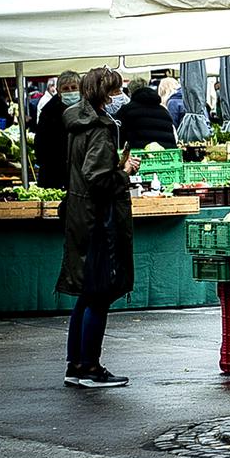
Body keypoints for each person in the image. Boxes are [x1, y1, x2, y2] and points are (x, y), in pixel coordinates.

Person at [58, 67, 140, 389]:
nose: (119, 97)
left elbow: (87, 170)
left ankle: (75, 364)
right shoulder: (100, 129)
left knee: (86, 294)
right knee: (99, 294)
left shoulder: (77, 124)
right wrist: (124, 171)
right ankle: (90, 366)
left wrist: (114, 164)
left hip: (80, 214)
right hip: (98, 219)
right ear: (105, 94)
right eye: (116, 91)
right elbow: (98, 177)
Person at [34, 71, 81, 189]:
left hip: (81, 168)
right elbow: (40, 140)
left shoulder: (87, 109)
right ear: (59, 92)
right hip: (54, 170)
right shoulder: (48, 111)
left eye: (74, 87)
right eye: (66, 88)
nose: (70, 91)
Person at [115, 78, 178, 149]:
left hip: (138, 157)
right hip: (166, 156)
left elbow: (119, 138)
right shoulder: (164, 111)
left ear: (130, 92)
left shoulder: (125, 111)